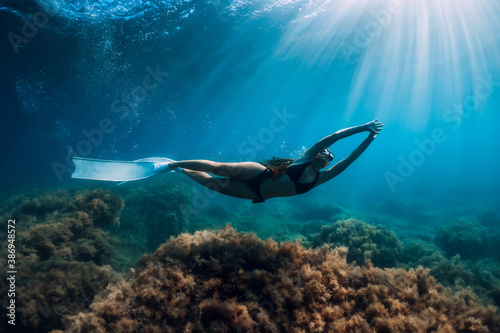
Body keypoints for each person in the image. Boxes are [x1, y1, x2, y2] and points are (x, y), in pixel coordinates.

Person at [167, 120, 383, 203]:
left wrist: (370, 139)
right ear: (318, 155)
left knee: (209, 183)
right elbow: (334, 136)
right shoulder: (306, 157)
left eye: (330, 157)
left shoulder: (321, 178)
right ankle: (172, 164)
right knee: (218, 168)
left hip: (257, 194)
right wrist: (363, 127)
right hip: (258, 173)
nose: (327, 156)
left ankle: (182, 171)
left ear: (327, 164)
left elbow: (351, 159)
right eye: (325, 153)